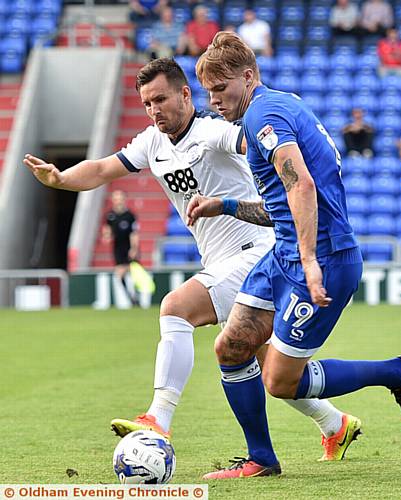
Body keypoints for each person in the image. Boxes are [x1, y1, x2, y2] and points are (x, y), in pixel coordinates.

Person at [23, 58, 363, 463]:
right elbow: (100, 169)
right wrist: (61, 178)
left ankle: (158, 418)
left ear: (185, 94)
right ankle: (335, 424)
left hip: (256, 251)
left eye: (161, 99)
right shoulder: (151, 142)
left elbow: (261, 148)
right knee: (260, 361)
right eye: (147, 103)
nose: (154, 110)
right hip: (220, 260)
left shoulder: (215, 131)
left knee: (176, 308)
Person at [192, 31, 401, 479]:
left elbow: (301, 185)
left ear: (248, 76)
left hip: (323, 256)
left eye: (221, 89)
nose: (215, 100)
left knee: (280, 381)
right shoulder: (279, 105)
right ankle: (261, 459)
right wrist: (222, 205)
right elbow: (285, 204)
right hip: (285, 252)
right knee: (232, 346)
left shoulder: (266, 115)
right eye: (209, 92)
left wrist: (311, 263)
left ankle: (397, 372)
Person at [103, 190, 140, 306]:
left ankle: (136, 296)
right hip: (118, 247)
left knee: (132, 272)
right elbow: (107, 229)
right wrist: (106, 236)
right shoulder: (110, 215)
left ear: (124, 200)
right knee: (120, 273)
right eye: (116, 198)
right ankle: (130, 298)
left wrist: (134, 248)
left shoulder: (130, 216)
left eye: (120, 198)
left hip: (129, 247)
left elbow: (134, 233)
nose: (118, 200)